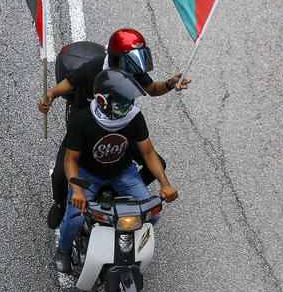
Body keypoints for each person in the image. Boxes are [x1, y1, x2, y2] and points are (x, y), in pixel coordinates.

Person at [38, 28, 189, 228]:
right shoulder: (93, 67)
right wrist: (47, 99)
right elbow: (59, 88)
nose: (137, 66)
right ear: (117, 58)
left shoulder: (132, 68)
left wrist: (170, 84)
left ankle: (116, 194)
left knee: (158, 164)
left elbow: (152, 89)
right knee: (59, 175)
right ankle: (60, 204)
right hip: (86, 129)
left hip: (121, 127)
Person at [54, 68, 179, 274]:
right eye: (122, 102)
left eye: (129, 101)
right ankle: (64, 250)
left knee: (152, 216)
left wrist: (165, 184)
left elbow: (148, 153)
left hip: (123, 173)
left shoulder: (134, 117)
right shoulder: (82, 120)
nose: (127, 106)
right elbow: (70, 160)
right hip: (87, 177)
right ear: (103, 101)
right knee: (75, 216)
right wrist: (77, 189)